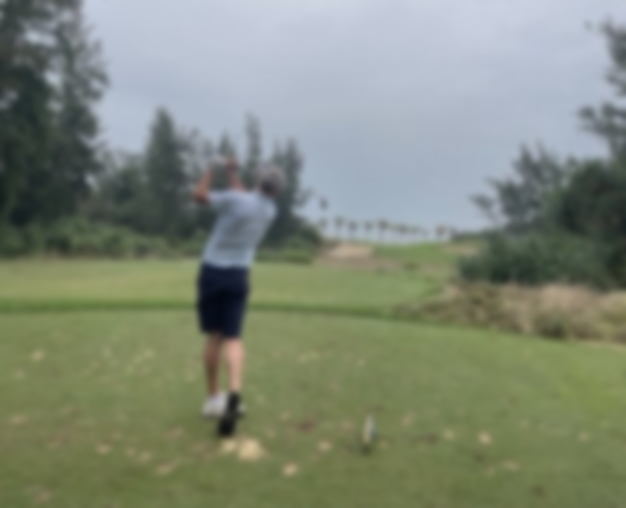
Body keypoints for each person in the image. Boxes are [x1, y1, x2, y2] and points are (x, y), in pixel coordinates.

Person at [192, 158, 282, 437]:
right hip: (239, 276)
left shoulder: (234, 200)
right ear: (276, 190)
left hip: (212, 272)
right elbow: (245, 197)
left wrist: (212, 168)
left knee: (214, 337)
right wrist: (231, 173)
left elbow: (199, 196)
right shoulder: (270, 210)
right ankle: (234, 392)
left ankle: (213, 399)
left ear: (258, 181)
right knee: (233, 338)